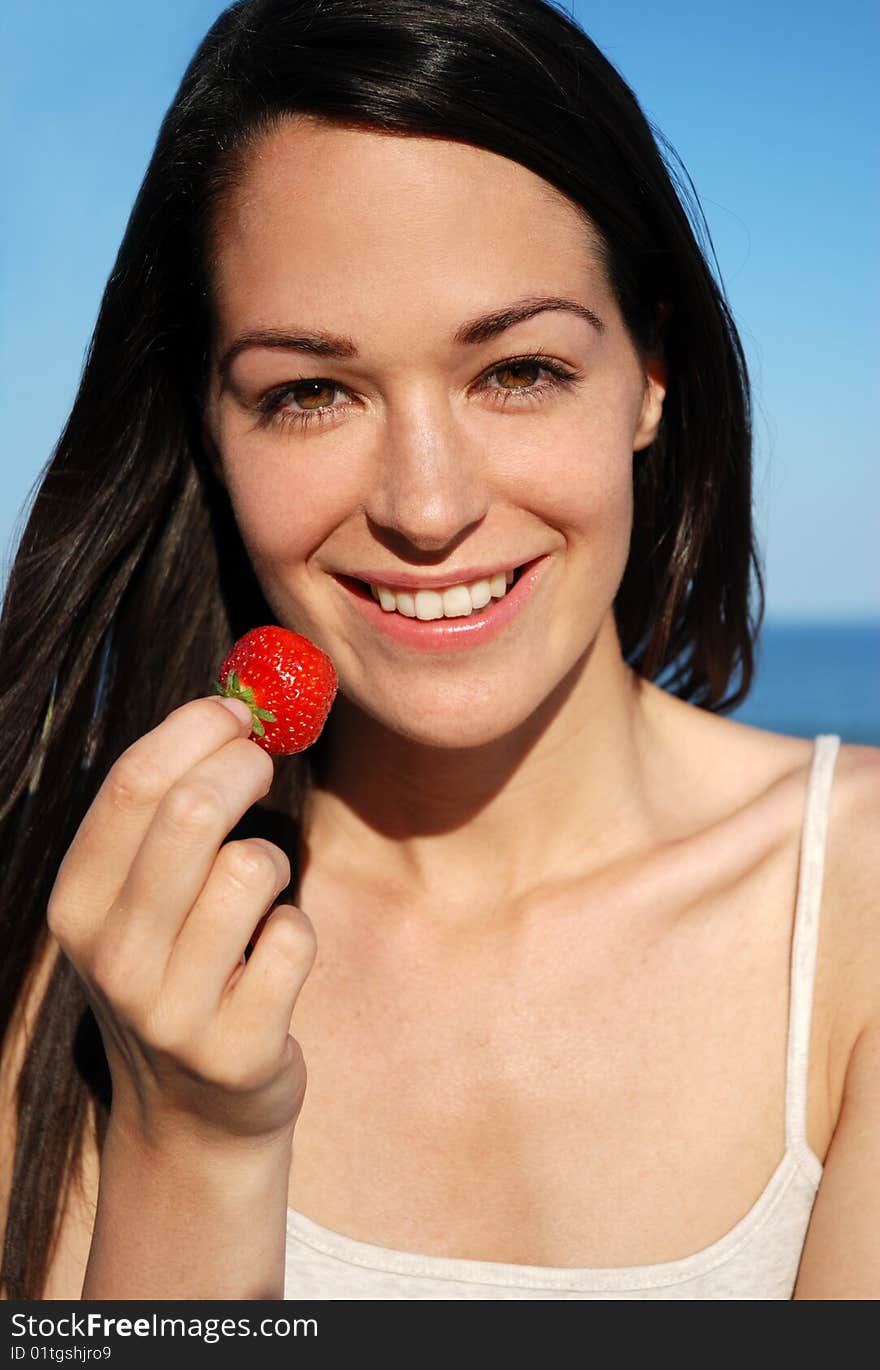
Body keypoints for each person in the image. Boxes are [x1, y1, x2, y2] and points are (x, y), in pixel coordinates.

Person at [0, 0, 877, 1303]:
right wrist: (188, 1139)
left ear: (650, 369)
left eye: (517, 370)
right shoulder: (85, 934)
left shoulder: (857, 908)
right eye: (311, 392)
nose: (424, 503)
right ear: (211, 430)